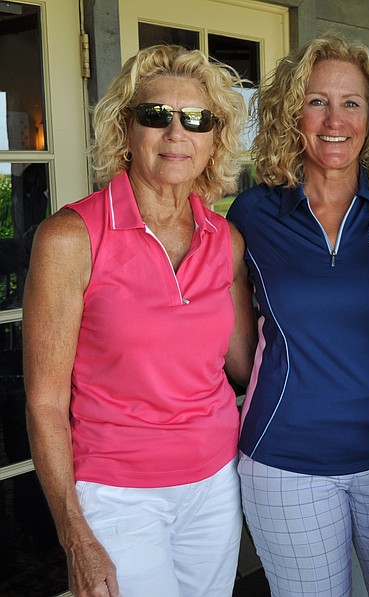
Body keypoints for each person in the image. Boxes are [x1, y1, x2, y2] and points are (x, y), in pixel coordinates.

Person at [23, 45, 255, 597]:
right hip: (117, 492)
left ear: (215, 139)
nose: (177, 133)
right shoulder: (70, 239)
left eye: (197, 120)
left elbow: (244, 365)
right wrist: (74, 533)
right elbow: (45, 402)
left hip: (214, 482)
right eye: (155, 115)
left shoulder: (225, 240)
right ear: (125, 130)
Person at [227, 34, 369, 596]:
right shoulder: (254, 212)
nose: (334, 119)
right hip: (286, 460)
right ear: (292, 114)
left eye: (351, 102)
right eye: (316, 101)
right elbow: (240, 351)